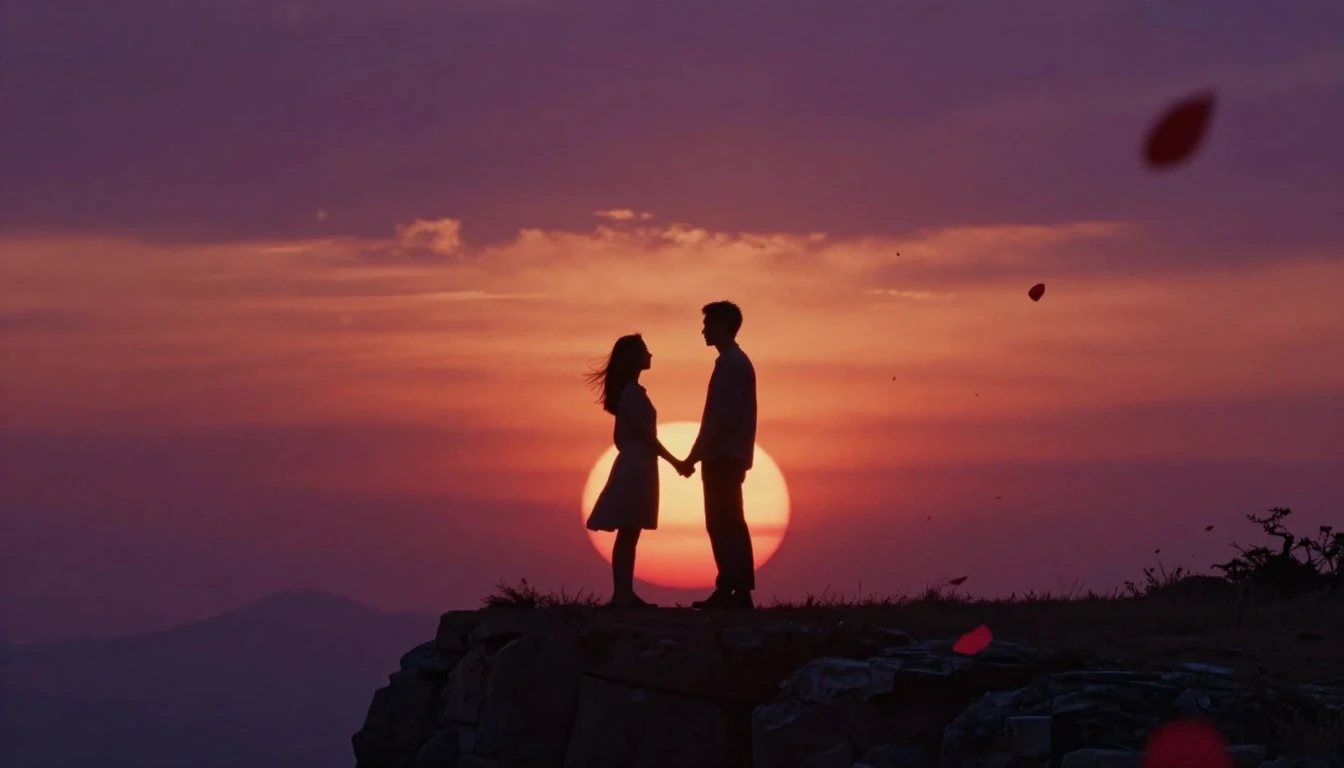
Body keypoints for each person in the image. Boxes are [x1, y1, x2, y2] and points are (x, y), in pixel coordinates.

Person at [583, 334, 692, 609]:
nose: (651, 355)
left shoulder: (632, 392)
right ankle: (622, 594)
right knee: (629, 529)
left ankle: (624, 593)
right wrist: (677, 462)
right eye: (646, 350)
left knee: (630, 531)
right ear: (635, 357)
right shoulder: (631, 394)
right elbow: (647, 436)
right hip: (635, 464)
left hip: (640, 463)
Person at [679, 301, 758, 610]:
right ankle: (736, 590)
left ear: (723, 326)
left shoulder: (732, 364)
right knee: (727, 521)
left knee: (724, 522)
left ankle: (733, 590)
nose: (703, 330)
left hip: (723, 456)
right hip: (724, 455)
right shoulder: (733, 362)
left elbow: (720, 419)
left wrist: (693, 457)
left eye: (708, 324)